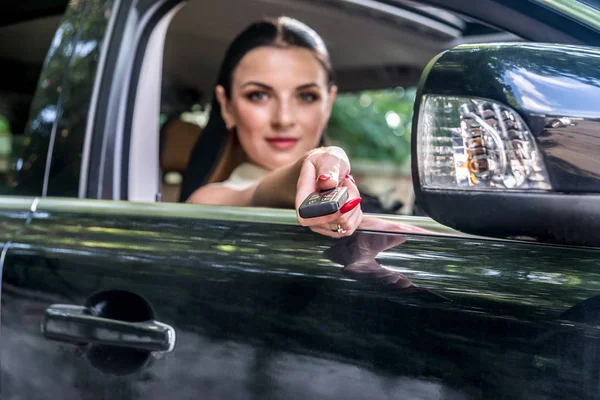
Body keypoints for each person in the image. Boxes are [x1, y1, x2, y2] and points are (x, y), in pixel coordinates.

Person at [185, 17, 362, 237]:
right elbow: (260, 195)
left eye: (306, 96)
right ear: (227, 106)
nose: (284, 118)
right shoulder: (206, 202)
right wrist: (311, 165)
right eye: (258, 95)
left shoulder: (362, 202)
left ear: (328, 104)